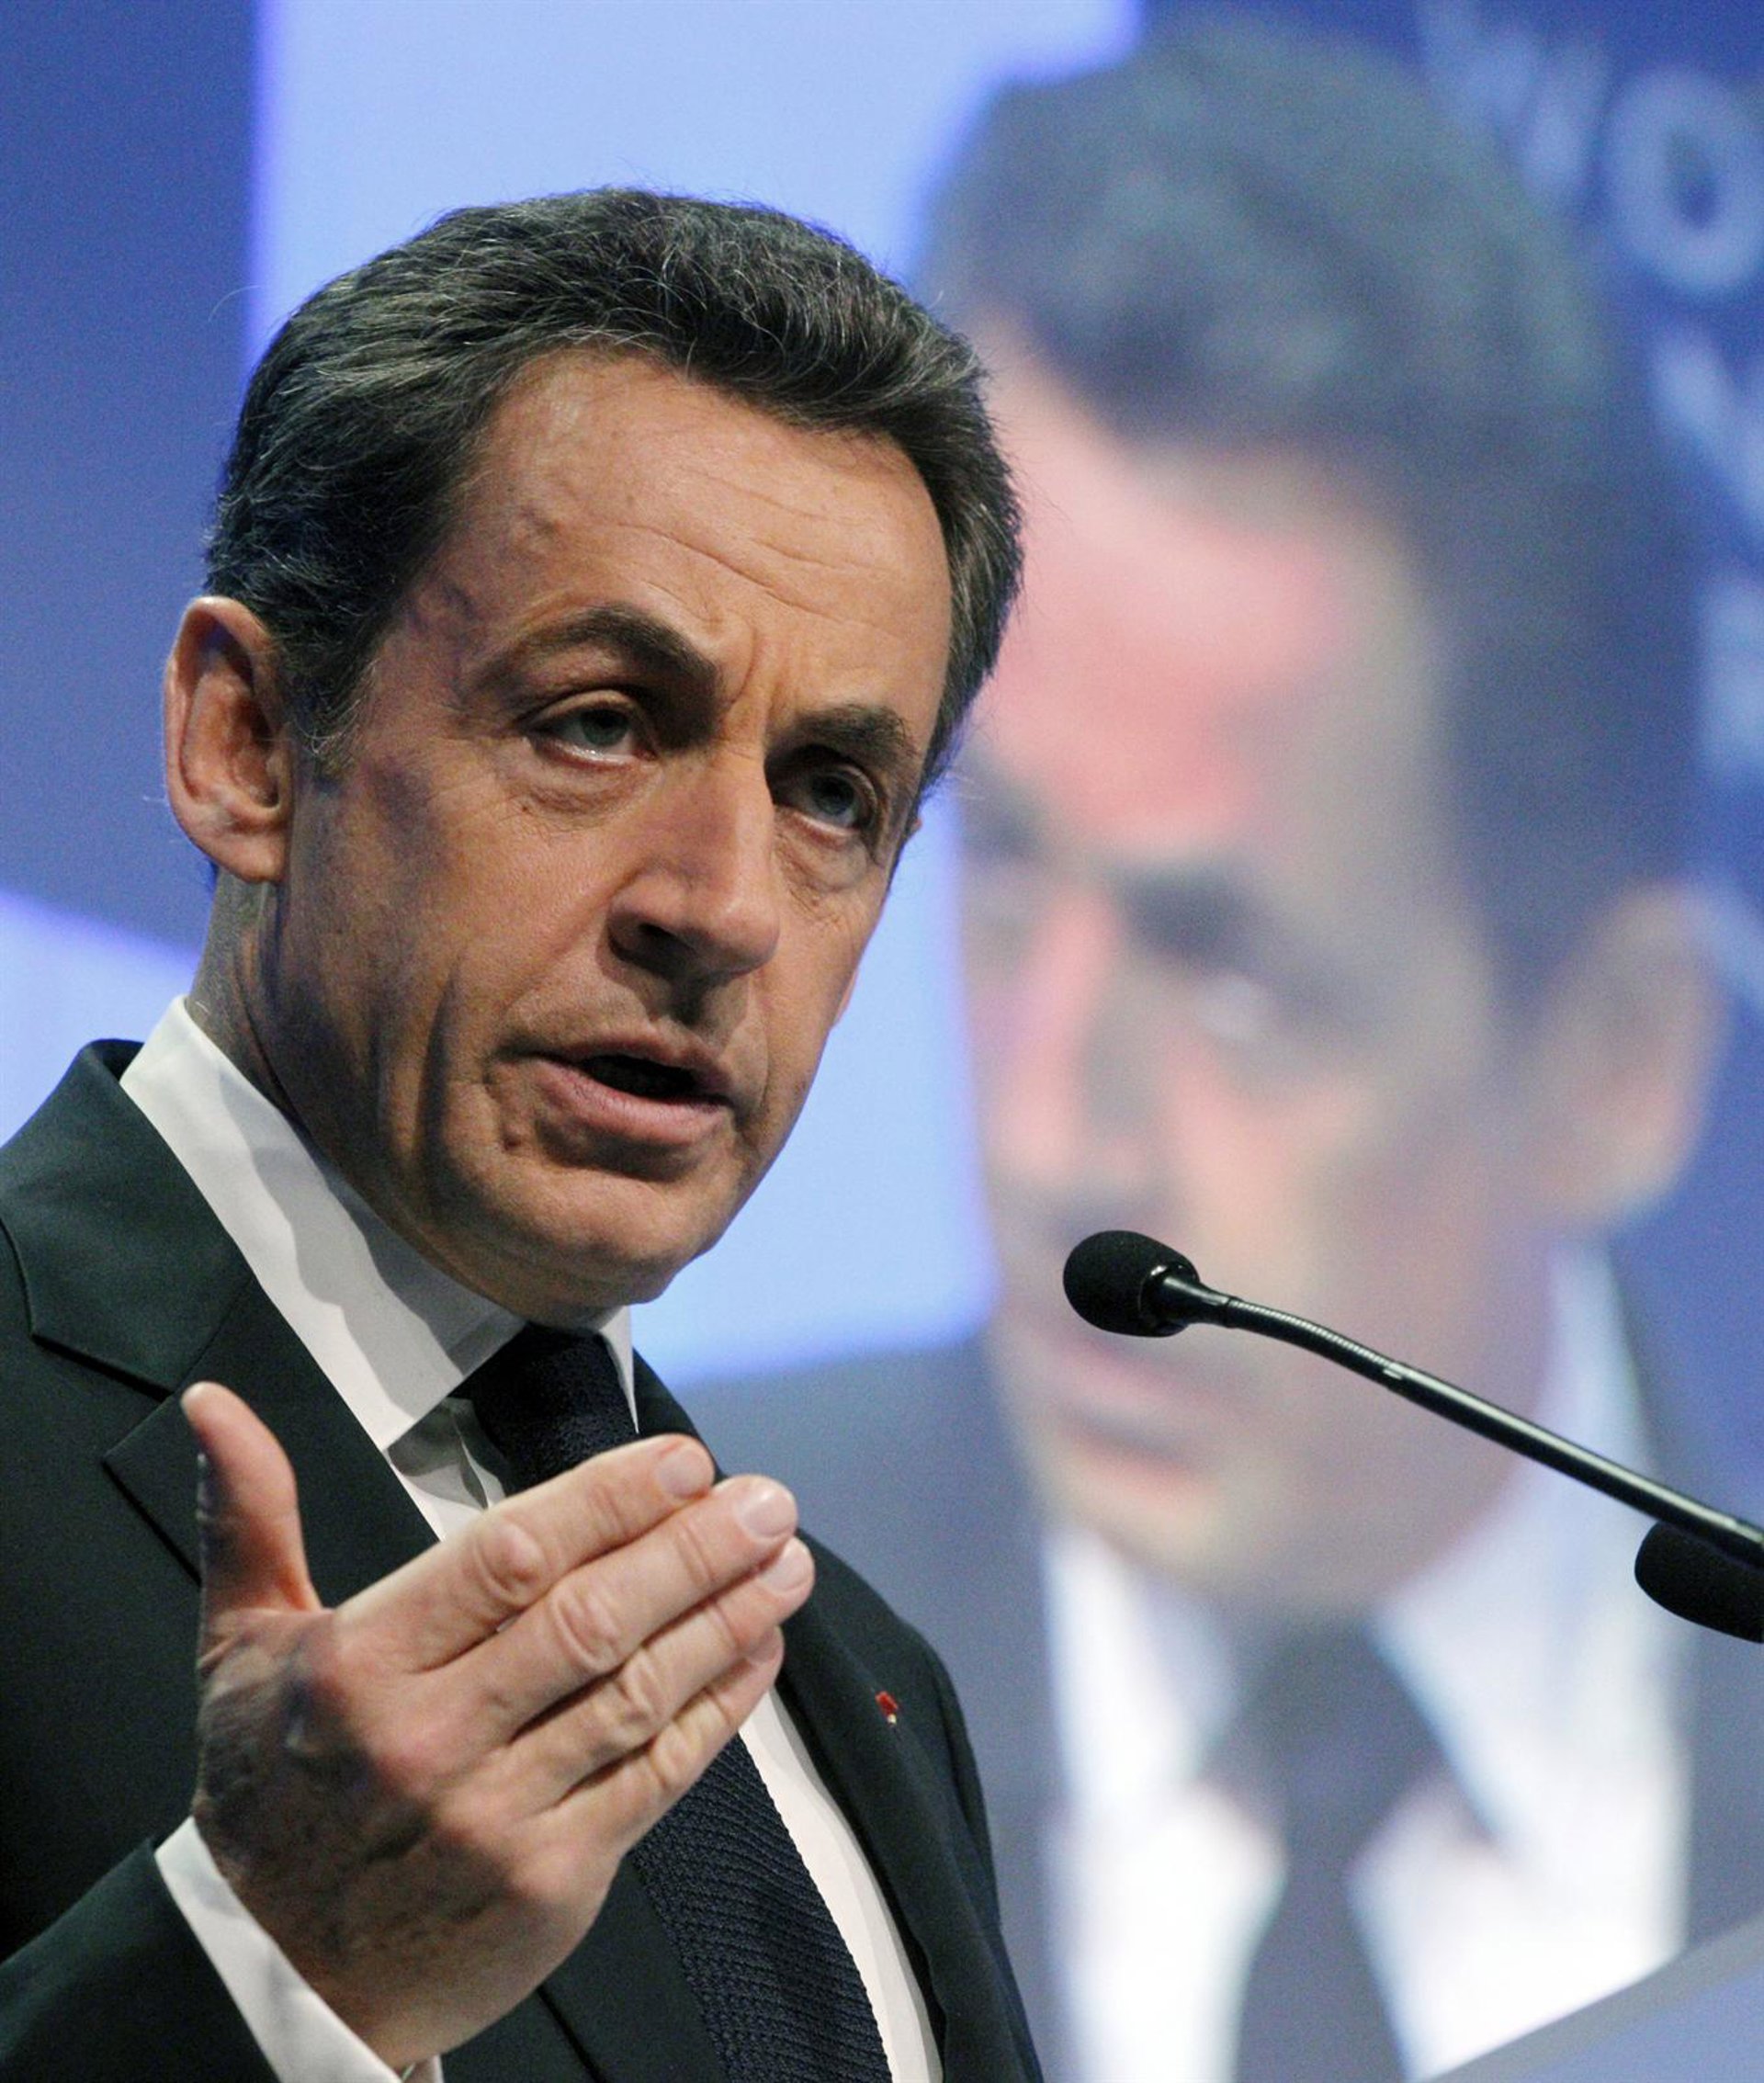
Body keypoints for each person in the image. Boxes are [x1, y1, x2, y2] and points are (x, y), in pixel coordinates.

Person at [703, 21, 1764, 2082]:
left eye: (1235, 978)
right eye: (998, 872)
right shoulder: (652, 1676)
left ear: (1612, 1065)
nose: (1046, 1134)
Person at [0, 189, 1040, 2083]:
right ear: (248, 743)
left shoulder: (869, 1685)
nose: (723, 905)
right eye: (600, 724)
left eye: (832, 792)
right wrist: (269, 1979)